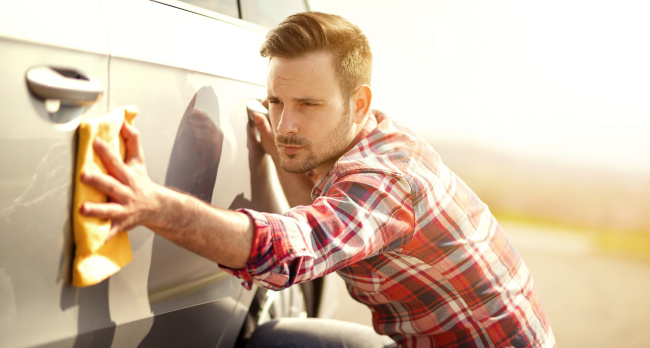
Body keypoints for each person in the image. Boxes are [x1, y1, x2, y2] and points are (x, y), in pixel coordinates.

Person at [80, 11, 555, 348]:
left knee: (269, 342)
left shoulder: (386, 179)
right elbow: (319, 212)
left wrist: (152, 204)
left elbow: (291, 248)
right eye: (276, 102)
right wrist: (278, 149)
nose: (286, 125)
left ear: (360, 103)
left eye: (308, 105)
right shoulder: (368, 142)